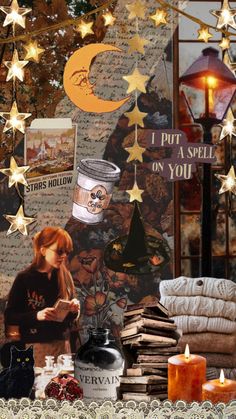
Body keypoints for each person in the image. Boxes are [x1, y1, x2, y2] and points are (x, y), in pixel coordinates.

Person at [4, 226, 80, 367]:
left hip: (63, 347)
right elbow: (10, 316)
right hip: (35, 346)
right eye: (59, 251)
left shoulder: (65, 276)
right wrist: (37, 316)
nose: (64, 256)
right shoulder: (24, 278)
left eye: (67, 252)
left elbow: (68, 320)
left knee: (62, 387)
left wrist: (74, 310)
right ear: (43, 250)